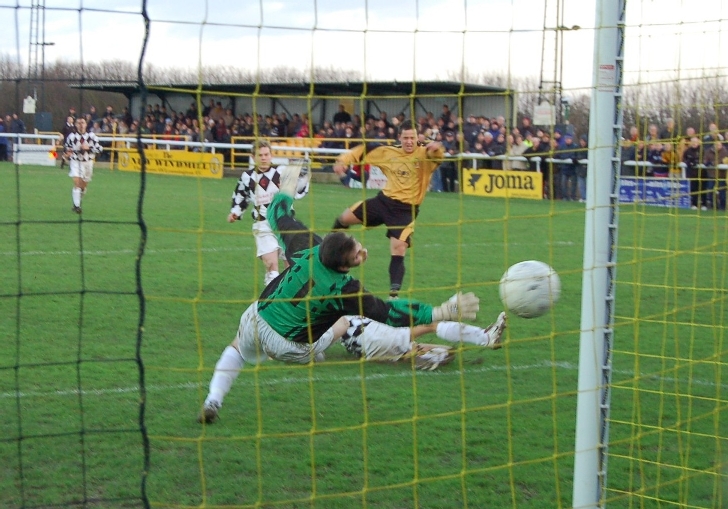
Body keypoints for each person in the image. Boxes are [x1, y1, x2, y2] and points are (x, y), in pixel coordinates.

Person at [199, 165, 505, 423]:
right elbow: (388, 313)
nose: (364, 251)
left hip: (259, 317)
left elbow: (278, 211)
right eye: (358, 254)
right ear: (344, 266)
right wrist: (439, 311)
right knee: (344, 323)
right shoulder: (346, 290)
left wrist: (289, 182)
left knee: (237, 349)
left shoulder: (305, 245)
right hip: (291, 345)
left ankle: (214, 399)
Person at [331, 119, 444, 299]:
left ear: (417, 138)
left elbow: (436, 155)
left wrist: (436, 149)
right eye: (405, 138)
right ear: (399, 137)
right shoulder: (388, 152)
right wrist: (342, 161)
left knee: (398, 248)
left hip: (405, 211)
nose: (409, 141)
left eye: (412, 138)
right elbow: (362, 150)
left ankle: (393, 296)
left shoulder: (425, 154)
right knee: (344, 218)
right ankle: (327, 254)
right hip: (383, 202)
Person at [228, 140, 310, 286]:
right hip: (263, 224)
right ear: (253, 157)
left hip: (285, 223)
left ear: (271, 155)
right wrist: (235, 212)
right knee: (272, 267)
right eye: (260, 155)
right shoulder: (247, 177)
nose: (264, 158)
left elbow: (300, 188)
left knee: (291, 268)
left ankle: (288, 295)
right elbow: (240, 195)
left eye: (266, 154)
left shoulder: (282, 171)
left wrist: (296, 184)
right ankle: (271, 296)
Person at [64, 117, 102, 214]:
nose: (81, 125)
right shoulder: (71, 137)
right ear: (75, 125)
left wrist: (89, 148)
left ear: (86, 124)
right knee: (77, 182)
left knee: (83, 187)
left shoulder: (92, 136)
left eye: (83, 122)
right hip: (76, 162)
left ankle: (77, 202)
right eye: (78, 123)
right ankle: (77, 206)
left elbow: (99, 149)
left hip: (88, 163)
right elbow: (67, 149)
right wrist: (68, 154)